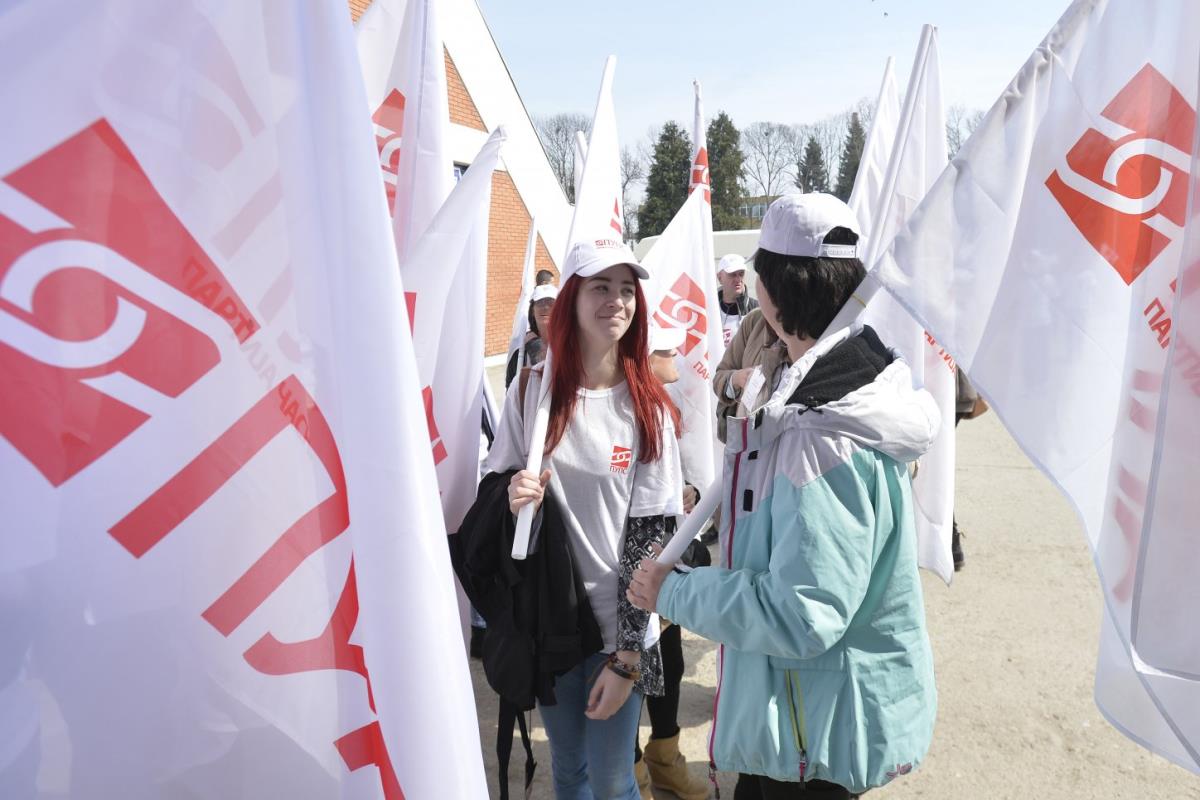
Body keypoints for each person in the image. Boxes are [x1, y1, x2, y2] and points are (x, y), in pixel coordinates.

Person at [627, 194, 939, 799]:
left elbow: (801, 613)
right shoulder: (853, 382)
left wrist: (675, 591)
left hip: (809, 737)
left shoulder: (822, 433)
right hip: (803, 717)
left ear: (768, 293)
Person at [488, 238, 684, 800]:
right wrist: (510, 492)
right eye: (601, 287)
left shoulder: (648, 407)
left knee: (614, 779)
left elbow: (654, 542)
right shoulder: (531, 391)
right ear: (570, 298)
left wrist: (626, 660)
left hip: (614, 634)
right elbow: (492, 484)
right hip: (548, 629)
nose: (617, 302)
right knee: (568, 775)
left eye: (627, 290)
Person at [629, 325, 711, 800]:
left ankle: (664, 758)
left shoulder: (664, 405)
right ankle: (631, 765)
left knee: (670, 662)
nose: (676, 352)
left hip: (668, 553)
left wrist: (690, 495)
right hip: (629, 564)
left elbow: (678, 482)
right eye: (664, 346)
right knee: (632, 665)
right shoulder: (623, 406)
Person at [951, 369, 989, 570]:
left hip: (942, 386)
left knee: (930, 471)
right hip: (957, 388)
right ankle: (950, 545)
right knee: (933, 468)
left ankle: (950, 543)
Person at [505, 283, 557, 388]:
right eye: (540, 302)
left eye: (551, 302)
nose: (545, 306)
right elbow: (510, 389)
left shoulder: (569, 344)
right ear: (532, 310)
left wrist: (537, 348)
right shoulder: (520, 352)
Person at [716, 253, 758, 346]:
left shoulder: (756, 309)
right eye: (732, 274)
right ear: (720, 277)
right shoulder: (709, 309)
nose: (738, 279)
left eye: (741, 274)